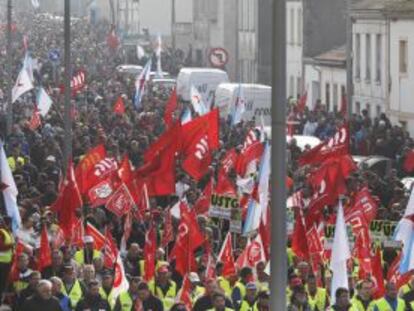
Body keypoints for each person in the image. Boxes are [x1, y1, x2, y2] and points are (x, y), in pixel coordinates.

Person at [0, 216, 14, 298]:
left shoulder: (7, 232)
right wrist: (11, 245)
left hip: (7, 262)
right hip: (1, 263)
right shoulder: (1, 232)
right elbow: (1, 247)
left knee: (3, 284)